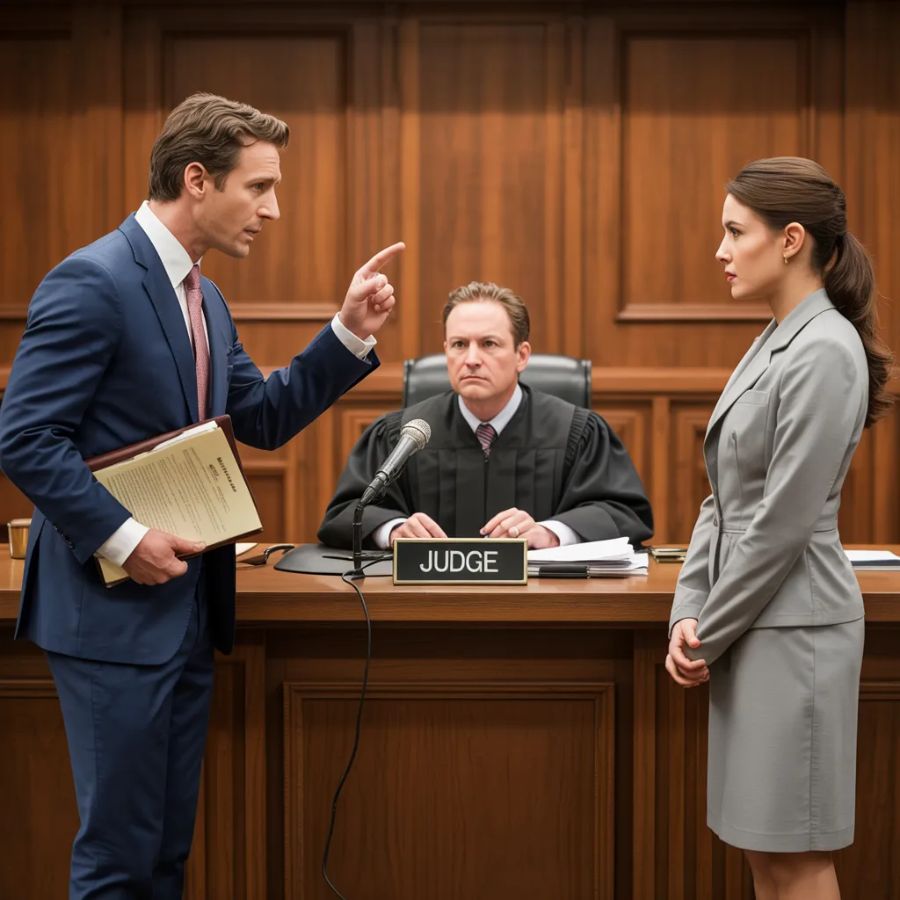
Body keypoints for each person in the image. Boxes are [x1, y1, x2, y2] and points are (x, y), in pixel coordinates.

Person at [0, 92, 404, 899]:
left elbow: (259, 418)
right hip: (110, 610)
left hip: (183, 611)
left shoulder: (203, 296)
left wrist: (348, 333)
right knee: (118, 862)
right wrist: (124, 537)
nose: (273, 209)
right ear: (196, 179)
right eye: (259, 187)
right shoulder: (92, 280)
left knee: (163, 857)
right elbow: (26, 438)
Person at [666, 157, 892, 900]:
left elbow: (782, 525)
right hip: (757, 626)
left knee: (796, 856)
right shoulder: (777, 336)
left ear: (791, 239)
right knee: (766, 851)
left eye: (736, 232)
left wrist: (709, 630)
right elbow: (723, 498)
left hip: (797, 635)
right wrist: (688, 609)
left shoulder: (825, 347)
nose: (721, 250)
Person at [318, 281, 653, 549]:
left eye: (489, 344)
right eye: (459, 344)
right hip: (427, 605)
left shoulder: (577, 432)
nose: (472, 359)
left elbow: (624, 513)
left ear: (522, 355)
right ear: (446, 351)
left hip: (544, 606)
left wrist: (551, 533)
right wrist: (393, 530)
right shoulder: (401, 434)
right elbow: (347, 513)